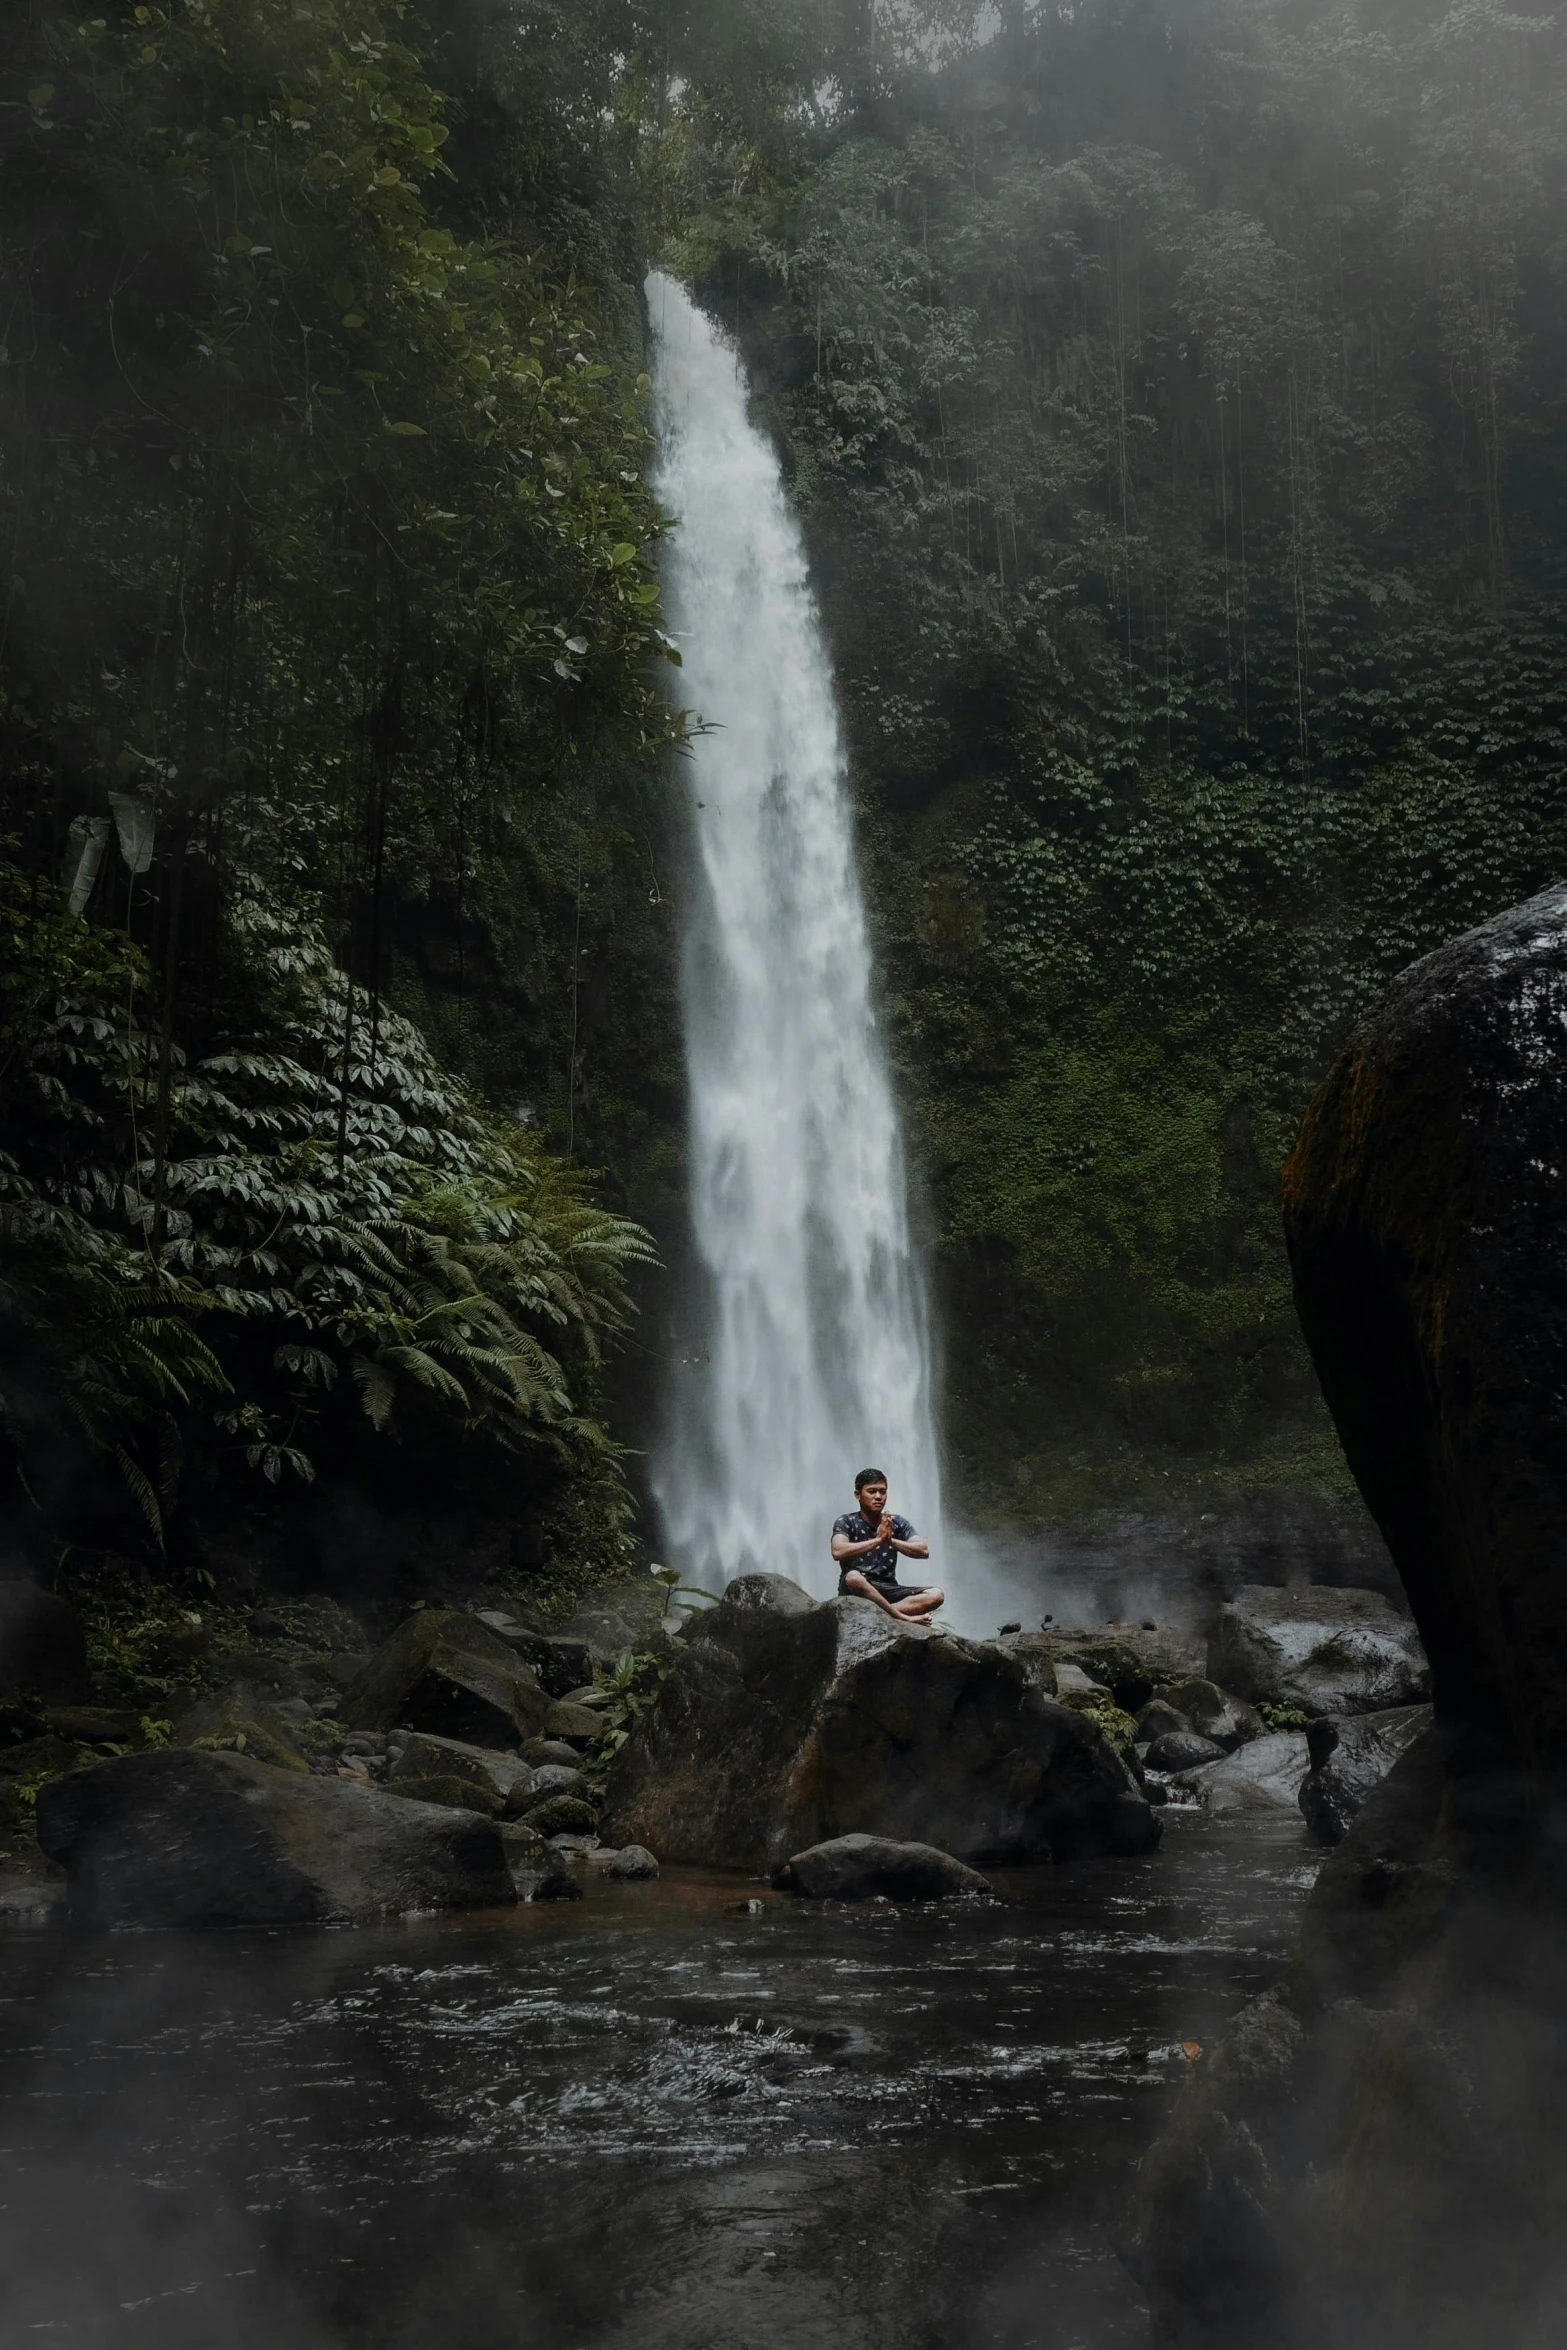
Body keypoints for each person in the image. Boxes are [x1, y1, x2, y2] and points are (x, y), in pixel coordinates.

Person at [831, 1469, 944, 1622]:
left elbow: (923, 1550)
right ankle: (901, 1616)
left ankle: (878, 1614)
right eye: (871, 1491)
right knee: (853, 1577)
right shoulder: (846, 1521)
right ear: (857, 1494)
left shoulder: (895, 1522)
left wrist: (890, 1540)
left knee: (936, 1595)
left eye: (882, 1492)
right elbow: (838, 1551)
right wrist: (877, 1540)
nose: (878, 1497)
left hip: (888, 1589)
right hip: (857, 1589)